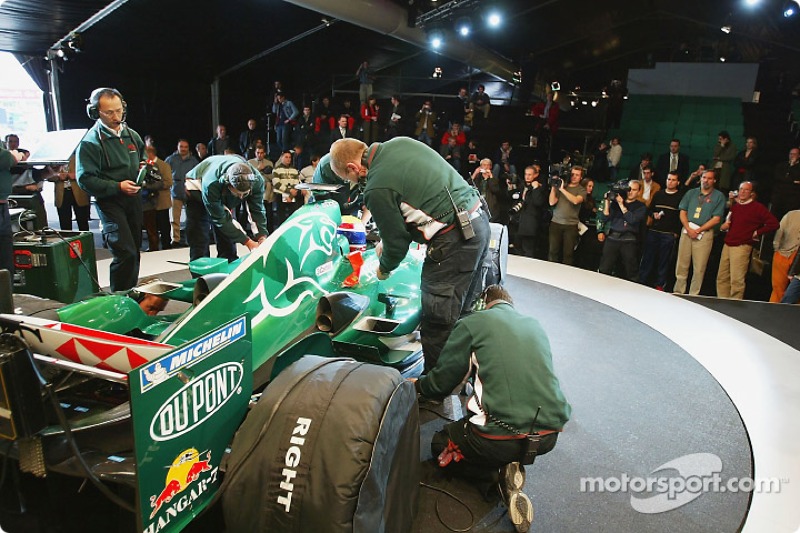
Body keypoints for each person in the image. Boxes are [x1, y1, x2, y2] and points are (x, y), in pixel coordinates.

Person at [414, 284, 571, 533]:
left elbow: (443, 382)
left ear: (483, 303)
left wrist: (418, 387)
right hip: (547, 437)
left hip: (495, 438)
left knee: (440, 442)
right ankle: (510, 463)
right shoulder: (535, 325)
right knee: (492, 430)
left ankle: (495, 477)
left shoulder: (473, 323)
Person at [330, 137, 490, 372]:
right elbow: (414, 195)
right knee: (463, 312)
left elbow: (397, 246)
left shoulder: (376, 187)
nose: (354, 182)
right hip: (478, 223)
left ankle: (436, 394)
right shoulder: (400, 143)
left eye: (349, 178)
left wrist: (383, 269)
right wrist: (388, 237)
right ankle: (463, 375)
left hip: (454, 238)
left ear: (353, 168)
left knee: (438, 320)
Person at [76, 87, 146, 292]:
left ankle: (130, 293)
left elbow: (141, 156)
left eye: (119, 110)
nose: (117, 116)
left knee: (135, 251)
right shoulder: (90, 142)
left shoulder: (132, 135)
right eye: (110, 112)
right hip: (110, 201)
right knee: (125, 252)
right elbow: (85, 180)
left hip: (132, 199)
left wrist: (143, 167)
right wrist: (117, 186)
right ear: (95, 112)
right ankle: (119, 297)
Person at [184, 155, 268, 262]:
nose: (241, 197)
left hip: (223, 192)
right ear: (228, 184)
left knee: (227, 239)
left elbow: (257, 211)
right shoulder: (211, 184)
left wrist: (262, 237)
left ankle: (229, 264)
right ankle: (201, 269)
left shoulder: (257, 181)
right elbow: (221, 219)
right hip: (196, 191)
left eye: (244, 194)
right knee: (199, 235)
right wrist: (249, 243)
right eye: (238, 193)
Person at [716, 182, 778, 299]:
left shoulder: (757, 208)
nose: (743, 192)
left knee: (737, 279)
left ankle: (734, 304)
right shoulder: (736, 207)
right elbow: (728, 224)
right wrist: (724, 227)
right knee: (722, 276)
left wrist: (757, 232)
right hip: (728, 243)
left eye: (746, 190)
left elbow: (774, 223)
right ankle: (722, 301)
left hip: (742, 246)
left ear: (752, 193)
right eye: (741, 189)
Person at [673, 170, 726, 296]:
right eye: (704, 177)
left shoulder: (718, 196)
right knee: (682, 264)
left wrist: (698, 230)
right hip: (687, 231)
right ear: (700, 178)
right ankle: (678, 292)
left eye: (709, 178)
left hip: (704, 234)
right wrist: (688, 228)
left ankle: (693, 295)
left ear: (714, 180)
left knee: (699, 267)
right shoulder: (691, 193)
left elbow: (716, 219)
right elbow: (682, 211)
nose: (706, 180)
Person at [639, 171, 684, 290]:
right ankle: (642, 282)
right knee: (648, 258)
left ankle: (660, 284)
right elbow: (649, 210)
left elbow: (681, 216)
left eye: (673, 180)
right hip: (654, 231)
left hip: (668, 234)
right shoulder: (659, 194)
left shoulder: (680, 197)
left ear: (678, 182)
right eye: (669, 179)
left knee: (664, 261)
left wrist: (675, 233)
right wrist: (653, 214)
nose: (670, 182)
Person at [598, 180, 646, 281]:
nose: (630, 192)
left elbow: (632, 220)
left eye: (634, 190)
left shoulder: (641, 206)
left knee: (631, 270)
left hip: (628, 240)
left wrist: (621, 204)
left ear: (639, 192)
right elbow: (605, 218)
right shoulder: (615, 203)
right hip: (613, 237)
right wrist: (607, 202)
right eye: (629, 189)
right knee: (604, 267)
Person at [164, 139, 199, 247]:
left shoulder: (193, 160)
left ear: (188, 148)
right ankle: (175, 239)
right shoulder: (170, 159)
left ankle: (191, 238)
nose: (183, 149)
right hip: (176, 191)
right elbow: (165, 173)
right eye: (181, 146)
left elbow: (197, 175)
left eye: (185, 147)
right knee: (175, 218)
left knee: (191, 218)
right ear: (178, 147)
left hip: (190, 192)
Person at [548, 166, 586, 265]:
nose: (574, 177)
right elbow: (552, 202)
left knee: (568, 254)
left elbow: (576, 200)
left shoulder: (581, 190)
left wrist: (562, 190)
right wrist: (554, 186)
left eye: (577, 175)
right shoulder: (562, 185)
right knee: (553, 251)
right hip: (556, 222)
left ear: (581, 177)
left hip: (571, 225)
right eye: (572, 174)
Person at [141, 146, 173, 251]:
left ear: (150, 153)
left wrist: (151, 186)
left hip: (162, 202)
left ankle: (166, 246)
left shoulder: (164, 165)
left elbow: (168, 183)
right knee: (151, 228)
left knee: (164, 226)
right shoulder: (145, 165)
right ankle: (153, 248)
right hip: (149, 203)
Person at [513, 165, 548, 258]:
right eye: (526, 174)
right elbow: (513, 198)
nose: (527, 177)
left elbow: (538, 202)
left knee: (528, 250)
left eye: (530, 174)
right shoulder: (522, 186)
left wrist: (536, 188)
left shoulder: (540, 187)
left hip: (531, 224)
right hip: (519, 222)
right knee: (517, 247)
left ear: (535, 175)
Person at [47, 156, 90, 231]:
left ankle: (86, 241)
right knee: (65, 222)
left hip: (78, 191)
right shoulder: (54, 158)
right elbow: (48, 176)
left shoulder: (79, 156)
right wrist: (58, 176)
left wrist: (75, 175)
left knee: (82, 221)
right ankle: (67, 241)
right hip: (62, 193)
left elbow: (88, 171)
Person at [1, 144, 24, 277]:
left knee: (5, 264)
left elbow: (6, 176)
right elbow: (4, 159)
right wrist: (14, 156)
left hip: (2, 205)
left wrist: (44, 173)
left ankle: (6, 296)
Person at [770, 209, 800, 302]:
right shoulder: (791, 215)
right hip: (783, 255)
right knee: (778, 289)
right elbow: (780, 231)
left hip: (797, 257)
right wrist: (777, 248)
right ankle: (774, 312)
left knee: (795, 291)